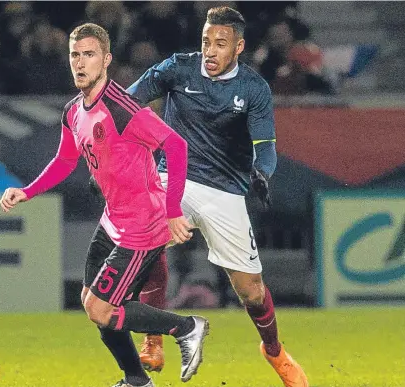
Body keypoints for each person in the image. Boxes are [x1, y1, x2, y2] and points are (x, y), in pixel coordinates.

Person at [0, 23, 209, 387]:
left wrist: (174, 209)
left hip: (142, 227)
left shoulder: (122, 108)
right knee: (91, 303)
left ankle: (187, 327)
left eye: (89, 55)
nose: (80, 63)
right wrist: (28, 191)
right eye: (75, 55)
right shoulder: (74, 112)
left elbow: (175, 147)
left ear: (106, 60)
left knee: (101, 307)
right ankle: (135, 379)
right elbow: (65, 161)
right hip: (113, 221)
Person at [126, 7, 308, 387]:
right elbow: (127, 102)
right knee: (147, 239)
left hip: (225, 191)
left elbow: (266, 146)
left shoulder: (254, 89)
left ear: (239, 47)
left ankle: (274, 350)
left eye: (220, 44)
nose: (210, 50)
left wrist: (263, 171)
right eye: (206, 41)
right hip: (172, 176)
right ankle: (153, 338)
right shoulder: (178, 68)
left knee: (252, 293)